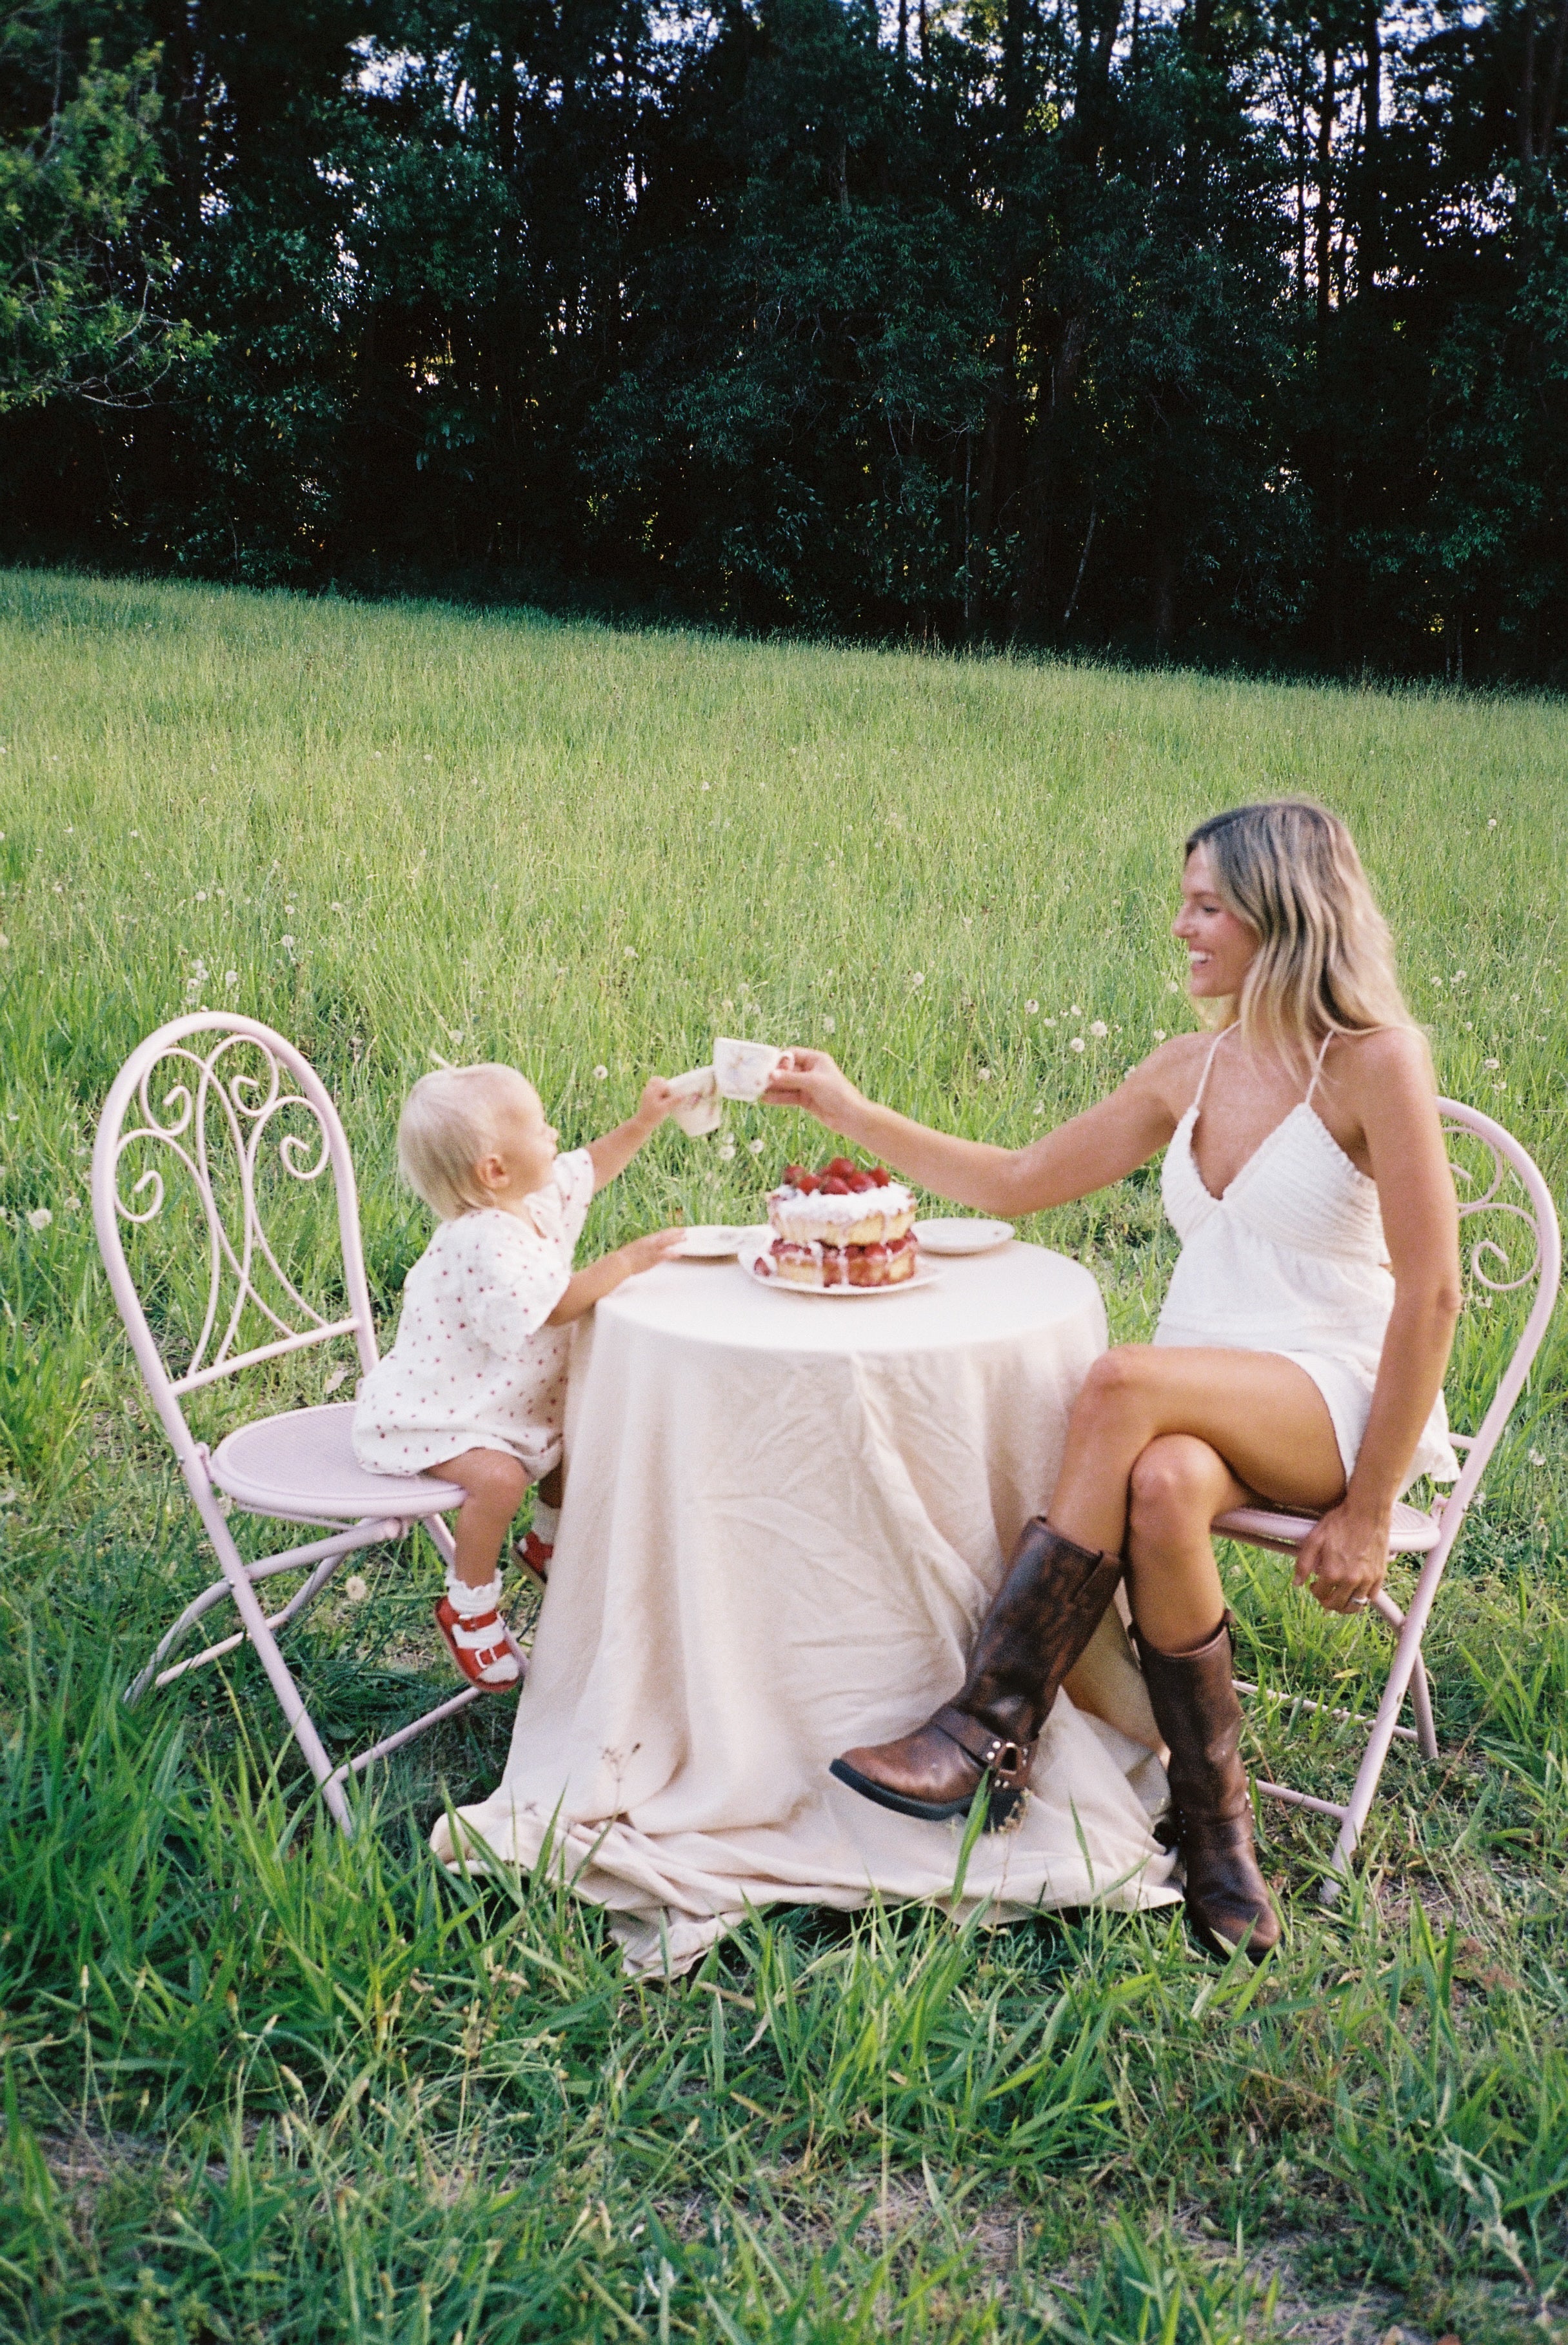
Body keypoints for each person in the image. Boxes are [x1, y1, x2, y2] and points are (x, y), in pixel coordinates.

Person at [763, 799, 1461, 1959]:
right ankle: (1216, 1837)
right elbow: (1014, 1180)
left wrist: (1372, 1505)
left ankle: (986, 1728)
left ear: (1281, 916)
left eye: (1207, 907)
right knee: (1166, 1483)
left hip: (1335, 1393)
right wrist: (850, 1110)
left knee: (1118, 1386)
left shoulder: (1374, 1061)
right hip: (1209, 1396)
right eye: (1182, 902)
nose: (1181, 928)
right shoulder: (1188, 1068)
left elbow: (1432, 1292)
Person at [353, 1063, 686, 1690]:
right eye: (538, 1127)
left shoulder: (528, 1199)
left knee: (579, 1430)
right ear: (495, 1169)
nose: (553, 1133)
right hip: (440, 1413)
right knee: (500, 1479)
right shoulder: (484, 1241)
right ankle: (469, 1603)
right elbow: (558, 1303)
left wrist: (645, 1120)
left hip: (503, 1403)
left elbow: (589, 1164)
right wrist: (626, 1260)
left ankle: (544, 1543)